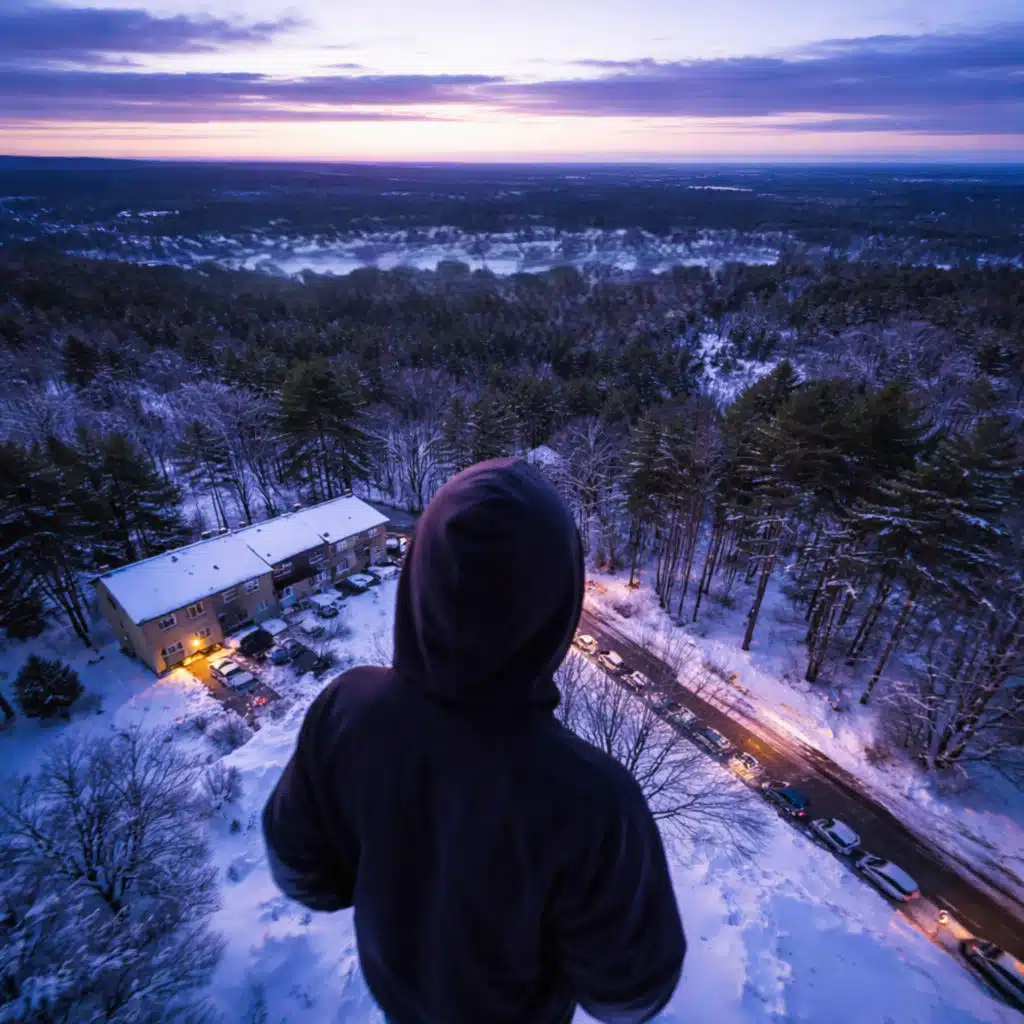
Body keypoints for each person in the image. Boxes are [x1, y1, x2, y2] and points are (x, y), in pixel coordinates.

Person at [263, 458, 685, 1023]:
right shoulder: (593, 802)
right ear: (558, 607)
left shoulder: (348, 711)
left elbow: (304, 876)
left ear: (418, 574)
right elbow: (630, 996)